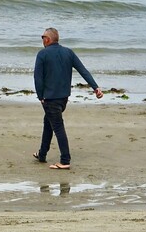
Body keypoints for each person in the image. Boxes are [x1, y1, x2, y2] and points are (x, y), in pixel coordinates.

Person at [32, 27, 103, 170]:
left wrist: (40, 96)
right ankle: (42, 154)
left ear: (48, 39)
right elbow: (83, 70)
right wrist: (95, 87)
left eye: (43, 37)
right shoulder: (68, 53)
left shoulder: (42, 54)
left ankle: (65, 160)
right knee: (48, 123)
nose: (42, 40)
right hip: (63, 98)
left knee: (57, 127)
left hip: (50, 98)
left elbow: (37, 78)